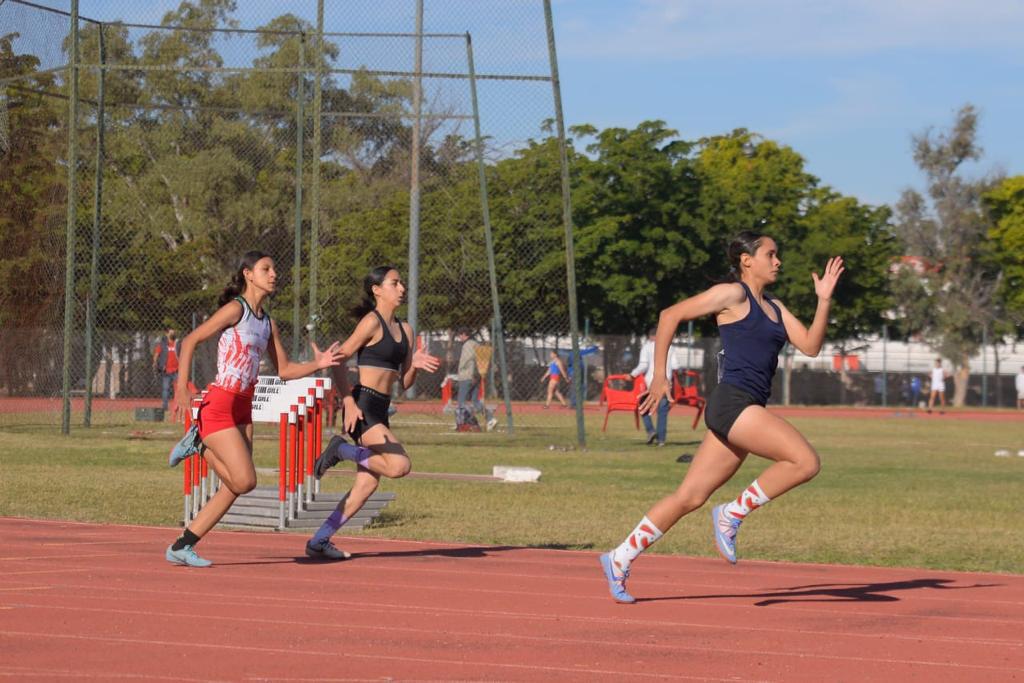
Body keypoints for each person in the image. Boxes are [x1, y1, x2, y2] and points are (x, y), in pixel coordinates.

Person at [598, 231, 844, 604]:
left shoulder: (776, 308)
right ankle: (732, 513)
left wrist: (823, 301)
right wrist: (660, 375)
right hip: (733, 402)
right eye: (771, 254)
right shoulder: (733, 294)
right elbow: (671, 315)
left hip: (746, 407)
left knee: (689, 496)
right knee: (805, 461)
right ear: (747, 260)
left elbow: (810, 345)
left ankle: (619, 557)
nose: (778, 261)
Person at [166, 251, 344, 567]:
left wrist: (318, 364)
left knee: (235, 486)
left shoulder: (268, 324)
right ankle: (198, 443)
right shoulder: (236, 309)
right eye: (266, 269)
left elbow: (285, 370)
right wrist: (181, 389)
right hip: (220, 403)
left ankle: (183, 545)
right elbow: (191, 339)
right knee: (245, 480)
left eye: (274, 268)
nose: (273, 273)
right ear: (248, 274)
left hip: (243, 407)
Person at [307, 266, 440, 560]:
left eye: (402, 282)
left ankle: (319, 540)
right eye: (395, 283)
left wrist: (414, 364)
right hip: (363, 405)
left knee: (366, 484)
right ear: (377, 290)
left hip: (381, 408)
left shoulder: (406, 330)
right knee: (399, 466)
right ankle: (340, 450)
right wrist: (348, 402)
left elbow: (404, 383)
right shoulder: (371, 322)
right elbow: (338, 361)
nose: (402, 287)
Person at [630, 328, 680, 446]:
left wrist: (632, 374)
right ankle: (661, 440)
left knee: (643, 406)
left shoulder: (647, 347)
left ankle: (651, 430)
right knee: (662, 411)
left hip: (650, 383)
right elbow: (676, 365)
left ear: (651, 336)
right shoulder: (670, 347)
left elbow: (643, 365)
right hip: (666, 383)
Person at [455, 330, 496, 431]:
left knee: (461, 402)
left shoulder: (467, 345)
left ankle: (465, 423)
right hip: (476, 376)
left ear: (464, 334)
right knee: (475, 401)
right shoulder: (477, 344)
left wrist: (460, 371)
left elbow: (466, 361)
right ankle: (490, 418)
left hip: (467, 376)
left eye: (460, 335)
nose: (459, 338)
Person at [152, 328, 180, 413]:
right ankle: (165, 406)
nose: (173, 333)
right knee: (165, 389)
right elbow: (156, 354)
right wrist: (155, 363)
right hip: (166, 371)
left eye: (173, 331)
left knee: (179, 388)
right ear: (167, 334)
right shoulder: (162, 344)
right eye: (171, 332)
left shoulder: (177, 344)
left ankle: (178, 406)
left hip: (177, 370)